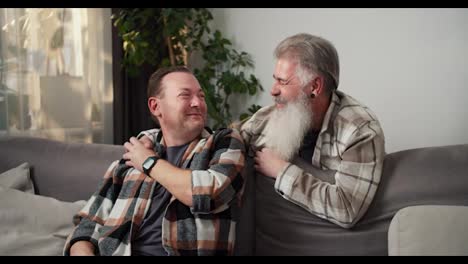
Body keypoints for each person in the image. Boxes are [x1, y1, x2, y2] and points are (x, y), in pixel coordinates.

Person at [137, 33, 385, 230]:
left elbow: (347, 209)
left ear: (315, 86)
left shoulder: (360, 130)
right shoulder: (266, 120)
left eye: (283, 82)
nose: (273, 90)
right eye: (275, 79)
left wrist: (281, 171)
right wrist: (154, 140)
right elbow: (215, 144)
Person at [64, 66, 246, 256]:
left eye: (200, 96)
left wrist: (149, 162)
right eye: (185, 96)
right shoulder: (134, 155)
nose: (197, 103)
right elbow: (87, 224)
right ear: (155, 106)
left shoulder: (223, 143)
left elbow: (211, 194)